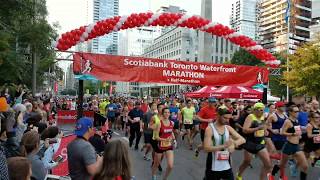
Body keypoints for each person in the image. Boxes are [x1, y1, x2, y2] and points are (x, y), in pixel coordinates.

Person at [203, 107, 245, 180]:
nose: (227, 120)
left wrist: (233, 144)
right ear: (218, 116)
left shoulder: (228, 128)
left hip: (226, 165)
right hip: (213, 166)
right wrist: (224, 146)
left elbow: (242, 139)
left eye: (229, 118)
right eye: (225, 118)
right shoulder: (210, 129)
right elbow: (206, 148)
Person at [236, 103, 272, 180]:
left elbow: (263, 125)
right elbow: (244, 130)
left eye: (263, 110)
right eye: (260, 110)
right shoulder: (250, 117)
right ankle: (239, 175)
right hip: (250, 143)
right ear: (255, 110)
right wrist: (257, 128)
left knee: (268, 165)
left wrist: (265, 131)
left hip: (260, 143)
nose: (262, 112)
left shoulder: (262, 117)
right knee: (247, 162)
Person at [279, 105, 308, 180]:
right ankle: (276, 175)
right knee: (282, 164)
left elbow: (297, 131)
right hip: (289, 145)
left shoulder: (296, 120)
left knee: (305, 166)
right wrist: (292, 134)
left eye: (298, 111)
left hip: (296, 146)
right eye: (295, 111)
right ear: (290, 112)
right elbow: (282, 132)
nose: (297, 113)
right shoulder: (287, 121)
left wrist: (299, 135)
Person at [151, 108, 176, 180]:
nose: (167, 114)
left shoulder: (172, 123)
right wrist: (165, 139)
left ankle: (164, 178)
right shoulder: (159, 123)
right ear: (162, 114)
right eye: (165, 112)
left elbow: (171, 132)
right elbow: (156, 137)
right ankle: (153, 175)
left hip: (168, 146)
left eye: (168, 112)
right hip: (160, 146)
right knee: (156, 164)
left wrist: (174, 140)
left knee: (170, 165)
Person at [266, 101, 288, 178]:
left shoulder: (285, 115)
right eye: (282, 106)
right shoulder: (273, 116)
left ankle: (278, 175)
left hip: (284, 137)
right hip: (276, 138)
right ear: (278, 107)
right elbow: (266, 125)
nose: (284, 107)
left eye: (284, 106)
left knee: (283, 159)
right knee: (281, 158)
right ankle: (278, 175)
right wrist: (272, 130)